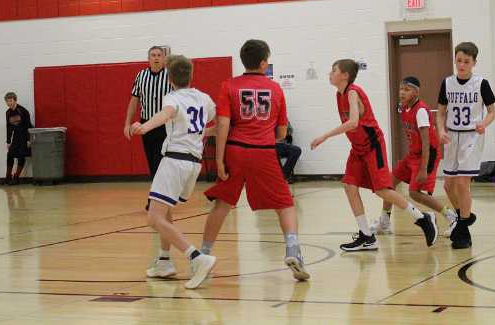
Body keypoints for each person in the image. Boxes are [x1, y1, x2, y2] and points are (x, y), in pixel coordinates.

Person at [200, 39, 310, 281]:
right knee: (284, 204)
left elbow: (222, 125)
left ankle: (203, 255)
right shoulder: (276, 89)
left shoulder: (229, 85)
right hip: (264, 152)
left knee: (222, 204)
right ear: (263, 63)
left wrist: (219, 160)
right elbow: (282, 133)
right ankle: (293, 250)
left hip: (235, 151)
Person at [311, 60, 438, 251]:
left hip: (373, 147)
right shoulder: (339, 94)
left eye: (333, 70)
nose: (330, 73)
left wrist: (325, 136)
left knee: (382, 191)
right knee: (349, 186)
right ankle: (366, 236)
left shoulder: (353, 92)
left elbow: (353, 122)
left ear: (345, 75)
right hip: (358, 149)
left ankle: (422, 218)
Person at [131, 54, 218, 289]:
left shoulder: (172, 97)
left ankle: (197, 257)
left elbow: (167, 113)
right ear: (191, 75)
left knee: (154, 217)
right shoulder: (204, 98)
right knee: (165, 210)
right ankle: (164, 261)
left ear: (169, 79)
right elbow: (216, 123)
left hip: (174, 160)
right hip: (194, 163)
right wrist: (206, 133)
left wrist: (144, 126)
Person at [370, 76, 457, 236]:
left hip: (428, 154)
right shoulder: (403, 107)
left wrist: (423, 169)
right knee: (388, 183)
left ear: (416, 92)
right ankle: (384, 222)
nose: (402, 93)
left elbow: (426, 142)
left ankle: (452, 217)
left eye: (407, 90)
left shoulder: (421, 111)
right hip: (413, 155)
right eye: (401, 89)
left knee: (414, 193)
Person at [437, 42, 495, 249]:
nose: (462, 65)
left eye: (466, 62)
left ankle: (463, 230)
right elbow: (441, 113)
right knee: (448, 185)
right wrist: (441, 130)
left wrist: (483, 124)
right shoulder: (447, 83)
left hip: (472, 136)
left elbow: (492, 112)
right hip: (452, 136)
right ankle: (465, 215)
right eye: (459, 61)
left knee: (463, 184)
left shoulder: (481, 84)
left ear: (474, 63)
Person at [124, 46, 169, 178]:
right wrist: (127, 124)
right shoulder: (141, 75)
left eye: (159, 55)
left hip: (165, 125)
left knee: (161, 161)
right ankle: (157, 187)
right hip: (146, 124)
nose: (156, 58)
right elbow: (134, 101)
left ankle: (160, 188)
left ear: (164, 58)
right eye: (153, 55)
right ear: (148, 59)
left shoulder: (170, 75)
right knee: (151, 161)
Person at [4, 92, 33, 185]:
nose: (9, 103)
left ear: (15, 100)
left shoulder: (23, 111)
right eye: (7, 101)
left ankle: (16, 177)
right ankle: (8, 177)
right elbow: (8, 127)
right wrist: (8, 141)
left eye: (10, 101)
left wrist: (28, 140)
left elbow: (28, 126)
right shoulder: (8, 113)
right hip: (16, 136)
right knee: (10, 155)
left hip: (24, 136)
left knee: (21, 156)